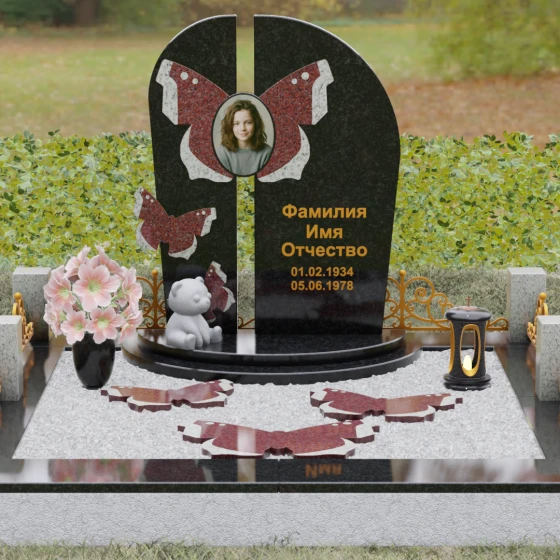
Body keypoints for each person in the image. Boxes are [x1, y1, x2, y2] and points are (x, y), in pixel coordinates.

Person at [216, 99, 272, 176]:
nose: (242, 128)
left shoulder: (267, 152)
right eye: (236, 123)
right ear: (230, 126)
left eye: (248, 122)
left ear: (256, 124)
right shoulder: (222, 152)